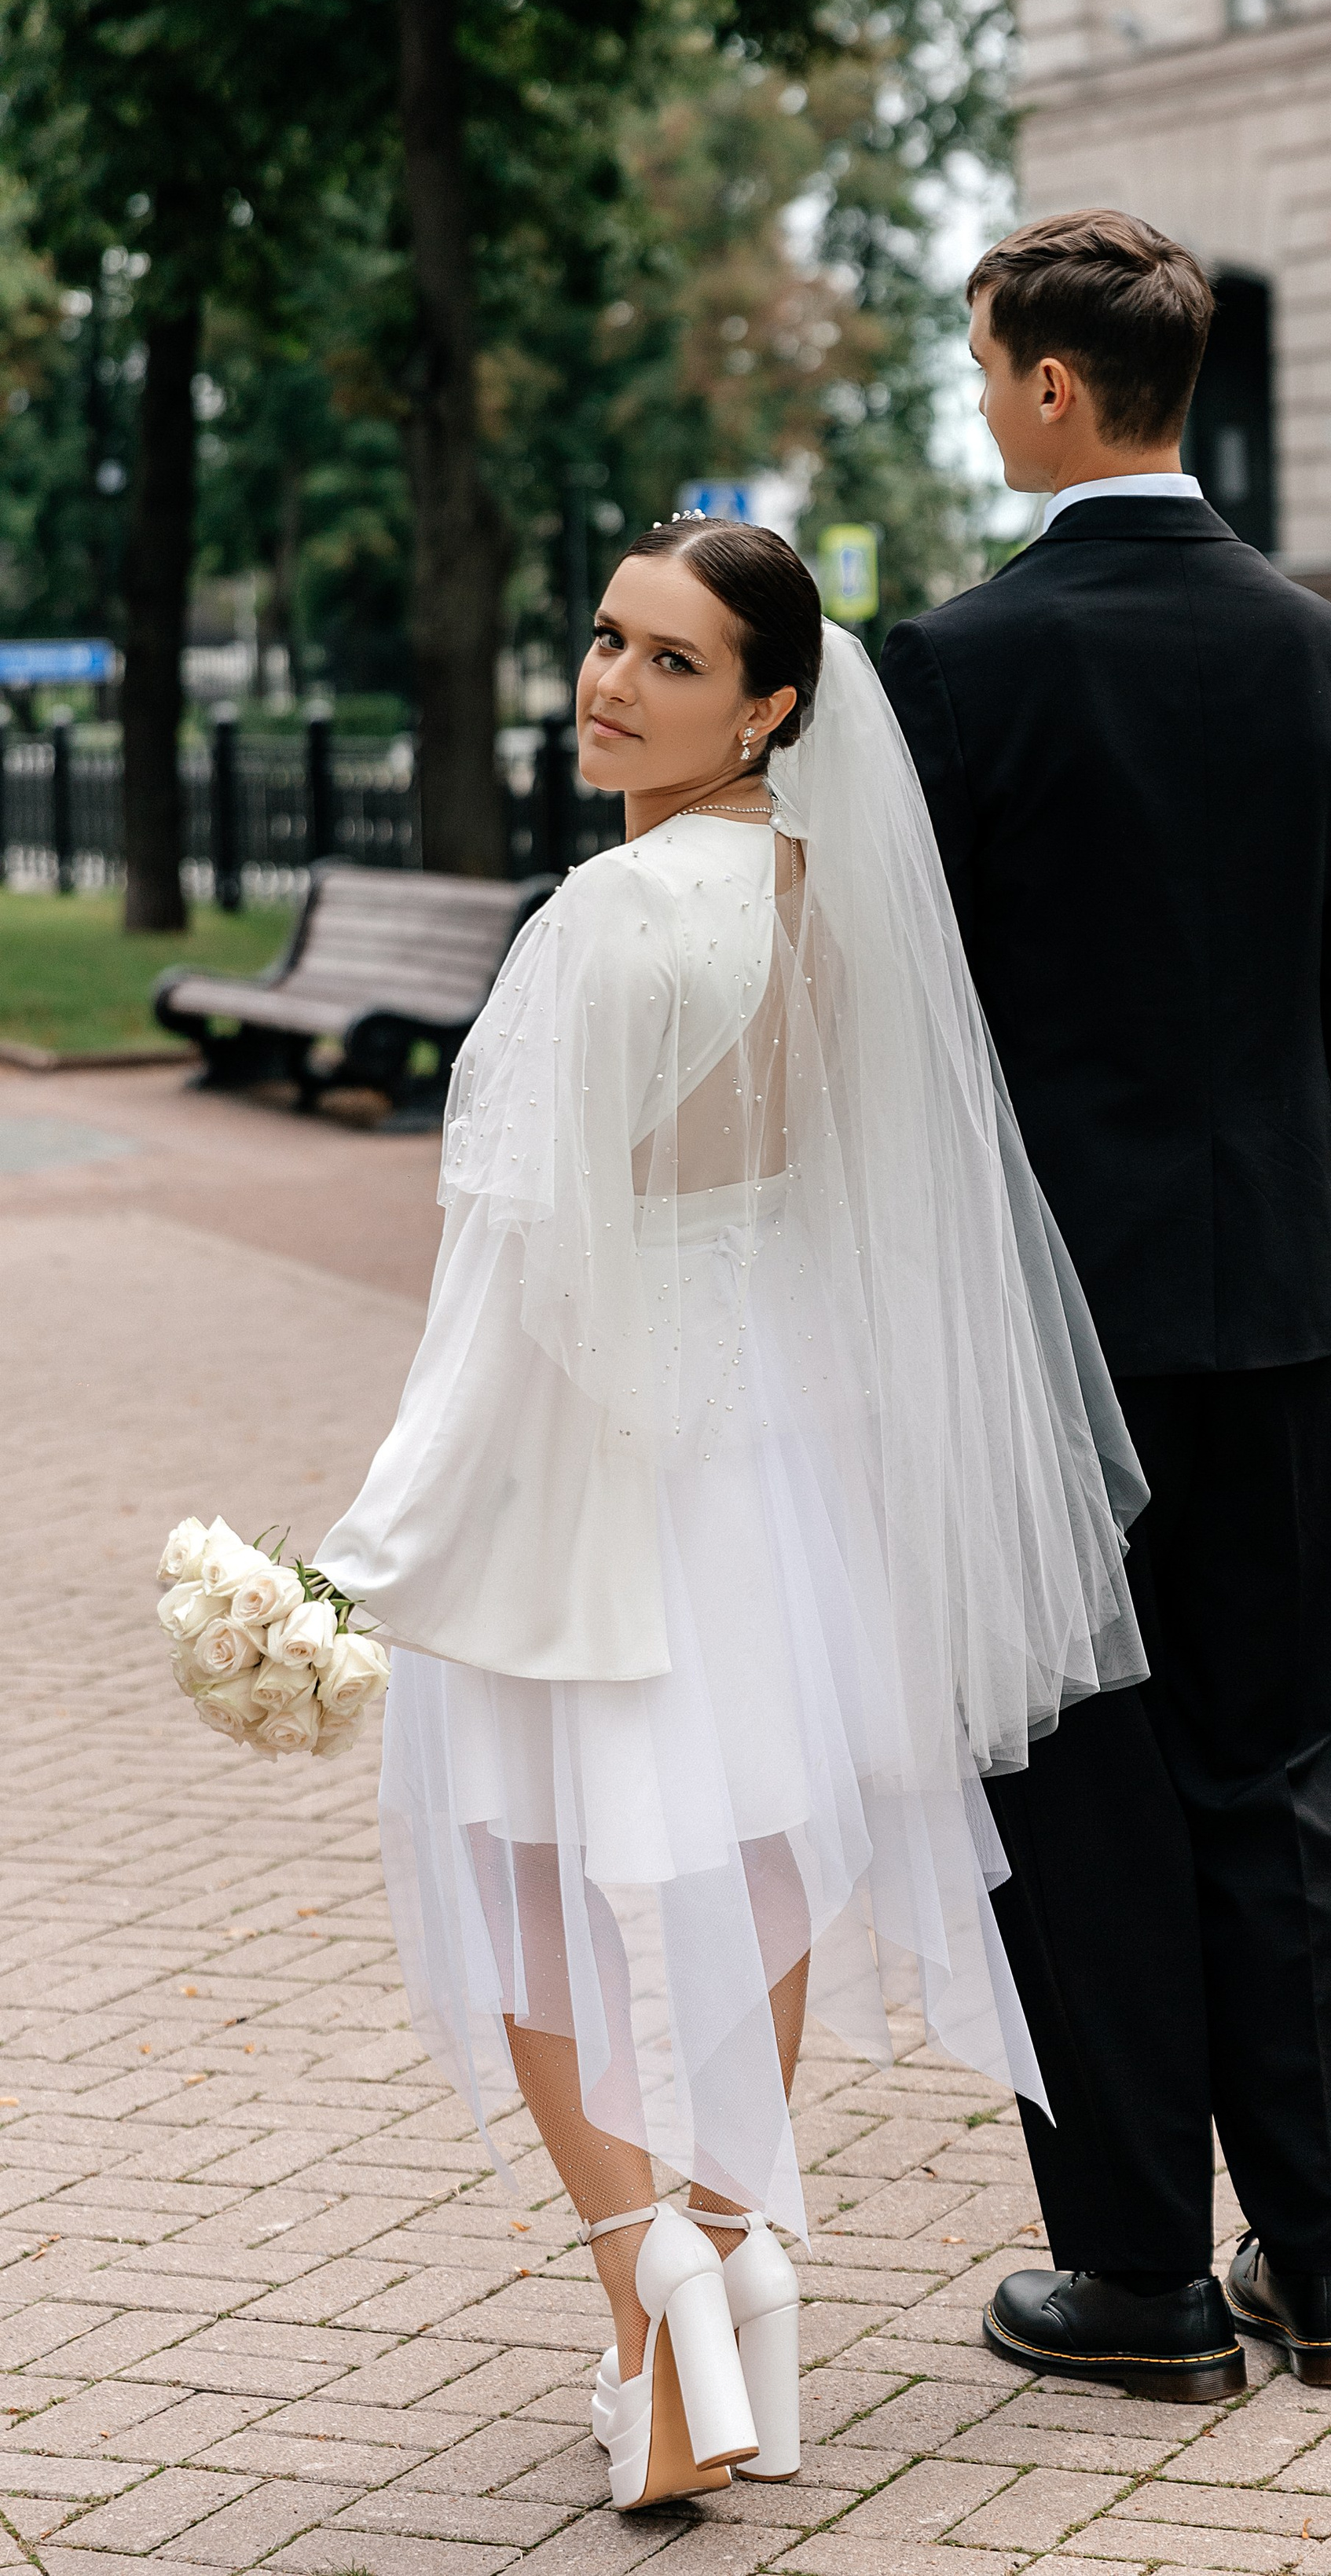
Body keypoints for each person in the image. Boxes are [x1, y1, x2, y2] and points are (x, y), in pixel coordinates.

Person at [314, 518, 1148, 2508]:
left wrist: (371, 1543)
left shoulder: (599, 925)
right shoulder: (823, 897)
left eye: (668, 662)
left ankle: (648, 2291)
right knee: (746, 1856)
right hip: (780, 1452)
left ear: (770, 703)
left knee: (521, 1880)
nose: (609, 681)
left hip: (597, 1462)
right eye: (604, 638)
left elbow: (514, 1275)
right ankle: (732, 2259)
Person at [880, 209, 1331, 2404]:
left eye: (988, 366)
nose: (983, 398)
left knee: (1077, 1779)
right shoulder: (1325, 650)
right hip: (1268, 1306)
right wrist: (1298, 1241)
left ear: (1059, 390)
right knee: (1280, 1770)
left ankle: (1140, 2282)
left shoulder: (963, 663)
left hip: (1039, 1333)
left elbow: (916, 1035)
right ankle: (1324, 2265)